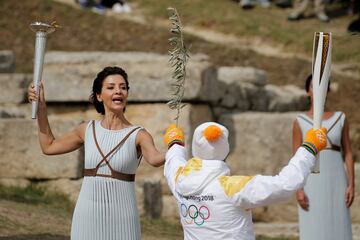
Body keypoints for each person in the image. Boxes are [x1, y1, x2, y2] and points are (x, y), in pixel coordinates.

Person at [28, 66, 165, 240]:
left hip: (123, 219)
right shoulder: (87, 129)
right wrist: (41, 108)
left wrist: (174, 149)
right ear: (99, 96)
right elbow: (49, 146)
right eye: (111, 87)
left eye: (123, 87)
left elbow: (154, 158)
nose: (118, 91)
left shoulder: (138, 134)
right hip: (87, 217)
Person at [162, 121, 327, 240]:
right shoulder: (233, 188)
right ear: (225, 150)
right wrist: (309, 149)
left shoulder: (180, 180)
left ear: (196, 149)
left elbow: (173, 161)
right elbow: (284, 185)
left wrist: (175, 142)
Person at [292, 74, 354, 240]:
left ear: (327, 91)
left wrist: (351, 185)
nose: (319, 90)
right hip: (311, 183)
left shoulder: (340, 118)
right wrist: (299, 189)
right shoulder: (300, 121)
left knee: (339, 225)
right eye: (314, 86)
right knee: (313, 227)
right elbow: (296, 159)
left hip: (337, 181)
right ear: (308, 92)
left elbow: (348, 153)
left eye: (323, 86)